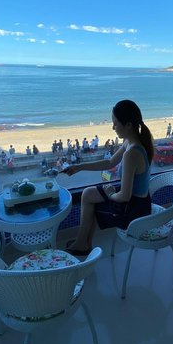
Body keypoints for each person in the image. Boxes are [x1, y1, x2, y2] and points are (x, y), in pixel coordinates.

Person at [63, 99, 153, 255]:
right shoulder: (131, 142)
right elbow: (110, 162)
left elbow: (124, 196)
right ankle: (83, 242)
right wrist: (79, 167)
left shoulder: (132, 154)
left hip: (133, 211)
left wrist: (110, 194)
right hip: (139, 201)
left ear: (128, 125)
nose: (113, 128)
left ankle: (83, 243)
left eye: (115, 124)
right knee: (88, 194)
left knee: (92, 201)